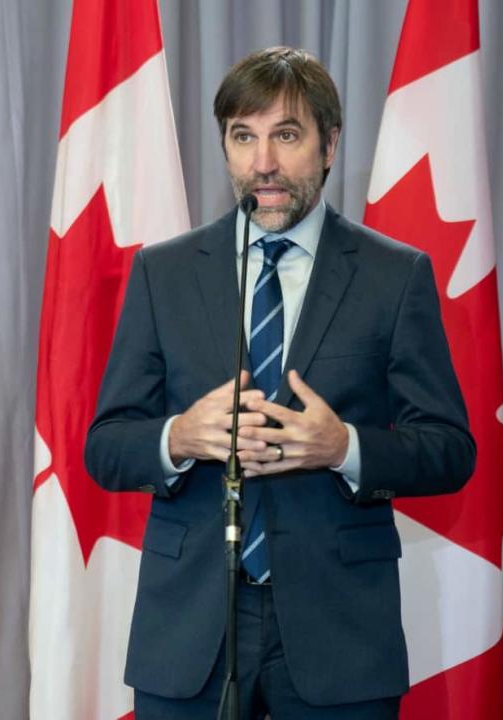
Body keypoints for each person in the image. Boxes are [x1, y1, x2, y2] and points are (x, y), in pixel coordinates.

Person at [85, 46, 475, 720]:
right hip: (190, 629)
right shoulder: (165, 273)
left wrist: (344, 446)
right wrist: (178, 436)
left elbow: (449, 449)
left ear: (329, 145)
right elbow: (107, 445)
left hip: (341, 631)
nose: (262, 162)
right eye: (243, 137)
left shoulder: (394, 276)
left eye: (285, 135)